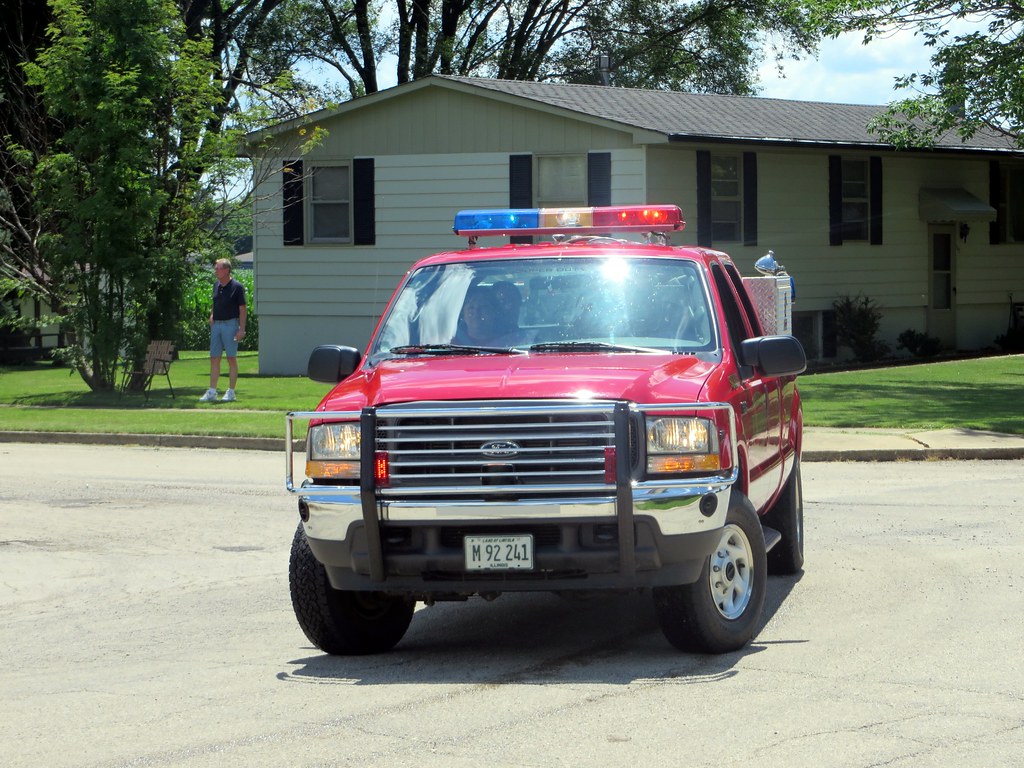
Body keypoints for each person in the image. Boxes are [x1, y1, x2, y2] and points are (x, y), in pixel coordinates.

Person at [199, 258, 247, 402]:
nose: (215, 271)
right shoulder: (216, 286)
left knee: (231, 358)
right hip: (217, 325)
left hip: (230, 325)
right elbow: (216, 302)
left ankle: (231, 392)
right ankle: (212, 391)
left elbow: (242, 309)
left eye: (218, 268)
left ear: (226, 270)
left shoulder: (237, 287)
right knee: (214, 358)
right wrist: (212, 315)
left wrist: (241, 329)